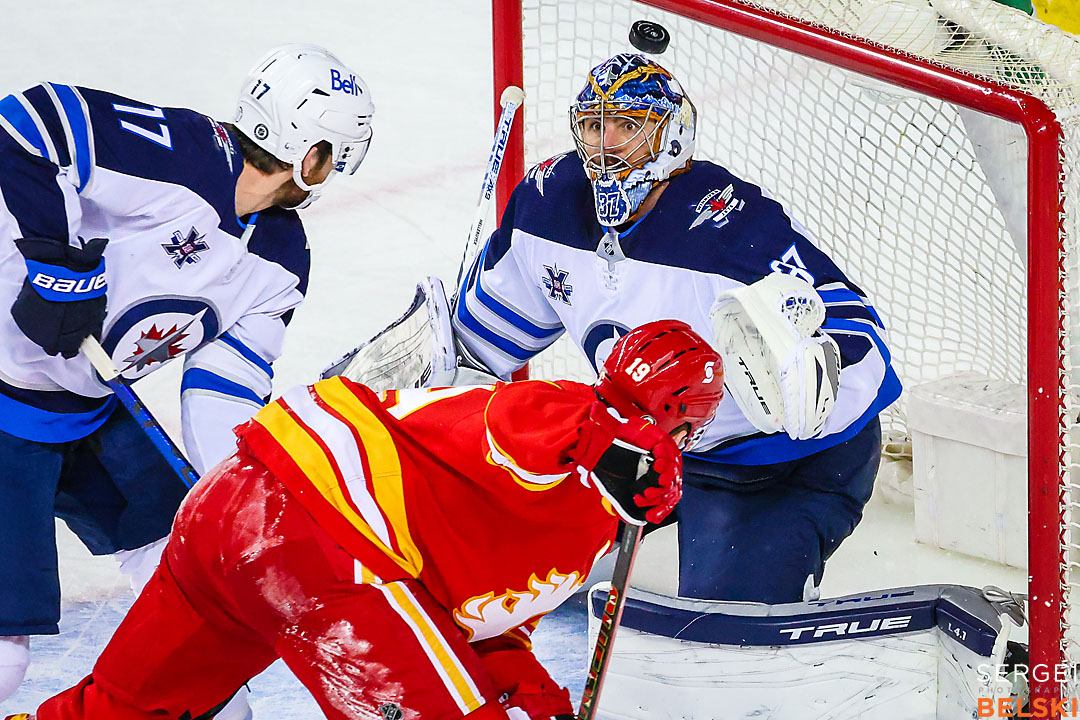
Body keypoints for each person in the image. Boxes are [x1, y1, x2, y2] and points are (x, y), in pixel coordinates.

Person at [4, 320, 724, 720]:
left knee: (121, 713)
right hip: (318, 543)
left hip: (232, 518)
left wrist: (527, 692)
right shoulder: (568, 418)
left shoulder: (599, 513)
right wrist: (610, 440)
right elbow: (523, 424)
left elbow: (487, 617)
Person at [0, 43, 374, 710]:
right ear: (304, 149)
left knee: (195, 585)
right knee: (3, 652)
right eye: (331, 156)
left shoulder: (281, 255)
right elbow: (30, 122)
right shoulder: (180, 153)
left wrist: (237, 486)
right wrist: (55, 265)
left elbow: (224, 385)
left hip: (88, 414)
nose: (332, 172)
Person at [452, 53, 901, 604]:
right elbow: (477, 347)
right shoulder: (548, 205)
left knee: (721, 634)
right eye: (592, 125)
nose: (605, 145)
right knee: (487, 548)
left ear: (671, 136)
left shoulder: (729, 227)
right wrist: (412, 390)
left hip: (775, 464)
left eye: (627, 125)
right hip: (637, 438)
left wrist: (821, 385)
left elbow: (860, 335)